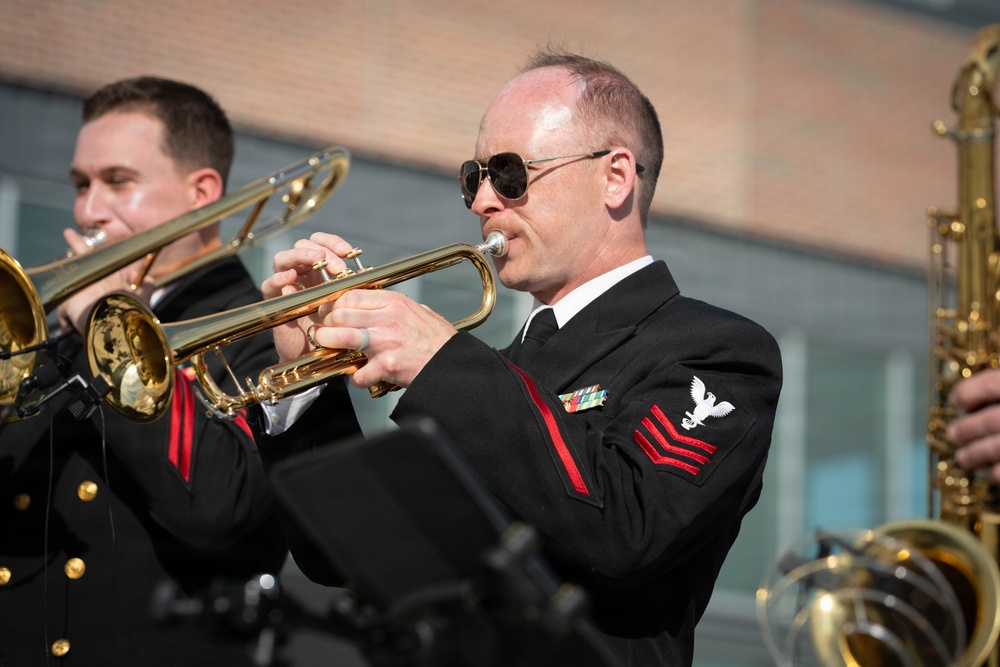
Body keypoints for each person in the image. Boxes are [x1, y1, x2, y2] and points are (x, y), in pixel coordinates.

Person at [260, 51, 782, 666]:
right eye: (473, 176)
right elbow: (341, 556)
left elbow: (628, 527)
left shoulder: (716, 350)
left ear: (615, 177)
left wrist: (443, 360)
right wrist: (306, 384)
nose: (483, 200)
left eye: (509, 173)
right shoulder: (493, 374)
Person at [0, 76, 360, 666]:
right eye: (80, 184)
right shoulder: (59, 327)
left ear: (202, 192)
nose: (89, 209)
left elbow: (218, 508)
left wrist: (103, 323)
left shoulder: (260, 326)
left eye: (118, 182)